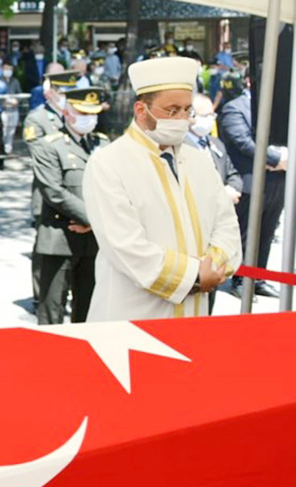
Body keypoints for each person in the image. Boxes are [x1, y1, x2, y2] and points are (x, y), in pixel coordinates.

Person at [83, 56, 242, 321]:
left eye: (187, 110)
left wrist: (213, 267)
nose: (182, 119)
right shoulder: (108, 163)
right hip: (133, 318)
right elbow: (126, 246)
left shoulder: (198, 161)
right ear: (141, 110)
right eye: (172, 110)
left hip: (195, 315)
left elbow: (226, 224)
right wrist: (194, 275)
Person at [30, 88, 110, 325]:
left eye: (93, 113)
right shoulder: (49, 145)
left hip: (94, 241)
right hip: (59, 238)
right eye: (82, 112)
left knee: (88, 311)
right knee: (51, 311)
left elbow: (116, 187)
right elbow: (54, 191)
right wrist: (93, 218)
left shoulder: (103, 144)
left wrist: (95, 222)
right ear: (66, 111)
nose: (89, 118)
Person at [218, 79, 289, 298]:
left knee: (267, 231)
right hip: (250, 179)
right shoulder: (235, 107)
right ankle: (241, 278)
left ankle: (258, 277)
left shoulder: (281, 107)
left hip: (277, 179)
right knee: (247, 233)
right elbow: (243, 141)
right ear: (250, 81)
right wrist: (277, 158)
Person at [23, 67, 76, 304]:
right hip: (48, 191)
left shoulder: (74, 115)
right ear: (50, 93)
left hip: (75, 191)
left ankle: (67, 291)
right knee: (45, 249)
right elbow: (40, 155)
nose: (66, 95)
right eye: (62, 91)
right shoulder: (37, 118)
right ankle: (41, 296)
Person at [186, 93, 241, 312]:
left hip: (216, 233)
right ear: (190, 116)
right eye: (204, 115)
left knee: (210, 298)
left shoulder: (215, 144)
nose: (210, 119)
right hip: (194, 230)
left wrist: (233, 188)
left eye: (212, 114)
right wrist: (220, 195)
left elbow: (233, 172)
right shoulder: (179, 147)